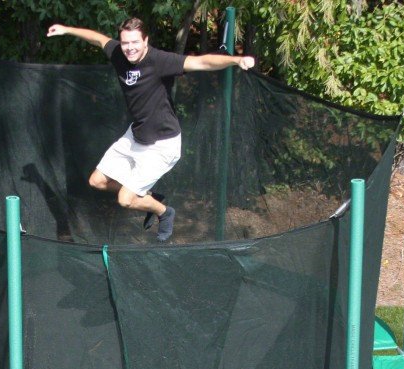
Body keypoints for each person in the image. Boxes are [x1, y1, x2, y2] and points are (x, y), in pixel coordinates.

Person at [47, 18, 255, 242]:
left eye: (135, 42)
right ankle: (147, 197)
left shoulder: (159, 60)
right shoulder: (118, 52)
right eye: (125, 43)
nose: (130, 48)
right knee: (97, 181)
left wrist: (237, 59)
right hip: (136, 134)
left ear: (146, 40)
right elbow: (98, 39)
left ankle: (164, 212)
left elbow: (202, 62)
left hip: (162, 144)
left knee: (125, 199)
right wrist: (67, 29)